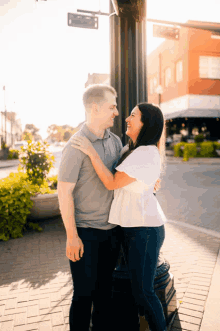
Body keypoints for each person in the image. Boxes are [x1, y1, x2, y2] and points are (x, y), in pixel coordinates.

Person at [71, 102, 168, 331]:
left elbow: (112, 182)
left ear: (146, 124)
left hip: (145, 230)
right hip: (131, 228)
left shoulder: (145, 153)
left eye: (133, 115)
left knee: (144, 292)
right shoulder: (130, 149)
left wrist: (89, 150)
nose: (127, 118)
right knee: (137, 290)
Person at [57, 84, 123, 331]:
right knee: (83, 297)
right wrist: (72, 237)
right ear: (95, 108)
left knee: (105, 296)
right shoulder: (76, 146)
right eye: (112, 106)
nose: (116, 112)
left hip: (112, 232)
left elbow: (121, 179)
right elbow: (64, 192)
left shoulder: (115, 141)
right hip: (86, 234)